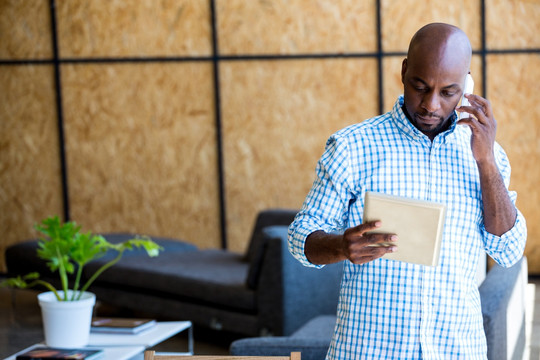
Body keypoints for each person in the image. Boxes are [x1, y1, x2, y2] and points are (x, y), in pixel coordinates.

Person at [288, 23, 527, 359]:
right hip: (367, 351)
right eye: (420, 86)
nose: (430, 105)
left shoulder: (487, 155)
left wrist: (486, 161)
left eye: (448, 92)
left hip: (456, 351)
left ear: (467, 87)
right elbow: (300, 238)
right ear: (404, 71)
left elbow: (509, 251)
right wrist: (341, 245)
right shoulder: (352, 147)